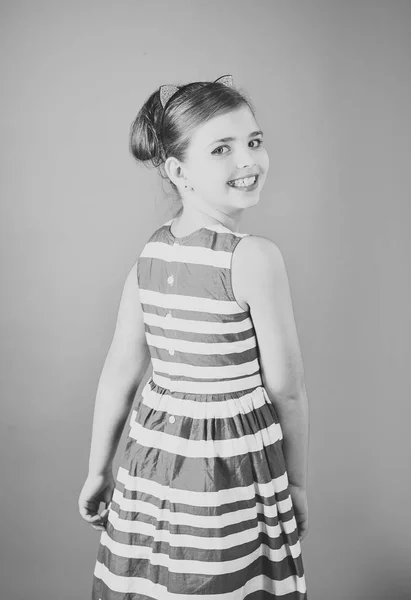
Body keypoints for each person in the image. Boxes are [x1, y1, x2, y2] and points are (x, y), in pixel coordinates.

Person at [78, 74, 310, 599]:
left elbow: (118, 375)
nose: (247, 161)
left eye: (253, 142)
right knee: (224, 578)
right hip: (227, 466)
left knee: (159, 581)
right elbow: (288, 391)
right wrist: (294, 484)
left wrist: (99, 469)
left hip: (151, 460)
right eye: (222, 149)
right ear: (179, 171)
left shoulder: (150, 254)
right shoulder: (252, 257)